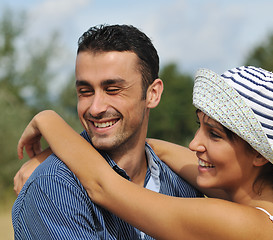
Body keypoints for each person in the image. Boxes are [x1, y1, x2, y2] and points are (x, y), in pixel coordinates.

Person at [17, 66, 273, 240]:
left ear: (259, 155)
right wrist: (55, 154)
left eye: (214, 135)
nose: (194, 144)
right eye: (199, 127)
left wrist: (48, 120)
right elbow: (154, 148)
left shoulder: (239, 224)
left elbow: (102, 187)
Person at [12, 24, 203, 240]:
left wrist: (50, 124)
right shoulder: (54, 187)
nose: (95, 108)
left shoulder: (183, 184)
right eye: (85, 92)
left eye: (113, 90)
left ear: (152, 94)